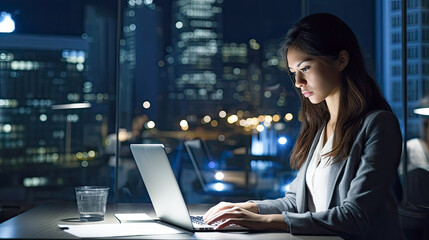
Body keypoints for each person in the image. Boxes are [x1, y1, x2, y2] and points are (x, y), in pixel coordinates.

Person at [203, 13, 405, 240]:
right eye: (293, 73)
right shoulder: (321, 128)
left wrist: (262, 221)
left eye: (305, 68)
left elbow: (355, 217)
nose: (298, 82)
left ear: (341, 60)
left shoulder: (378, 125)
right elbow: (296, 202)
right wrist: (248, 208)